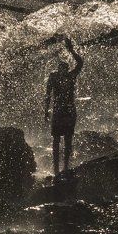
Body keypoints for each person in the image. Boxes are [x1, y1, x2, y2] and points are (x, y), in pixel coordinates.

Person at [45, 35, 83, 180]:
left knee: (67, 139)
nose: (63, 70)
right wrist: (46, 111)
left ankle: (65, 167)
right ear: (58, 69)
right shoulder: (53, 77)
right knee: (55, 140)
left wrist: (71, 50)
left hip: (68, 111)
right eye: (61, 68)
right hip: (58, 111)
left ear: (67, 70)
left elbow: (80, 63)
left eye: (65, 68)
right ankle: (56, 170)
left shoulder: (71, 76)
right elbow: (47, 95)